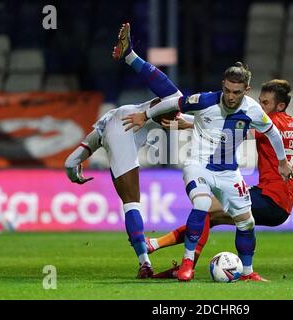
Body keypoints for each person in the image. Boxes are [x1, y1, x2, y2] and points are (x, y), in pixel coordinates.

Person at [122, 64, 293, 282]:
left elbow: (273, 133)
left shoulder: (253, 110)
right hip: (198, 165)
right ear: (223, 85)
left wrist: (282, 162)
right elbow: (174, 102)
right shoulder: (204, 100)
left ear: (247, 90)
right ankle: (187, 264)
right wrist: (144, 116)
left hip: (229, 172)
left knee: (246, 222)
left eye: (237, 92)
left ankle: (248, 273)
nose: (231, 97)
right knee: (202, 204)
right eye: (228, 90)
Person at [64, 23, 183, 278]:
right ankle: (145, 263)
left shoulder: (102, 129)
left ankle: (144, 262)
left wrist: (73, 170)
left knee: (131, 204)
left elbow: (74, 157)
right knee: (131, 203)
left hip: (121, 117)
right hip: (127, 122)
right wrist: (73, 166)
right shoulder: (132, 121)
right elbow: (77, 157)